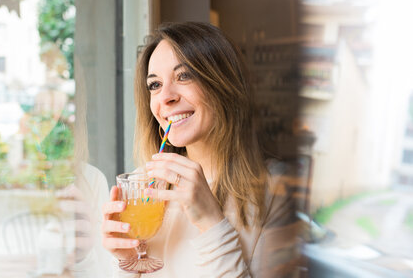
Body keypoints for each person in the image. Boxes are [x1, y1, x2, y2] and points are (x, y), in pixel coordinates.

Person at [102, 22, 301, 277]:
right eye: (155, 85)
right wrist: (126, 263)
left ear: (222, 83)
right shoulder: (145, 186)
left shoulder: (277, 191)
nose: (165, 97)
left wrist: (212, 223)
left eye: (184, 75)